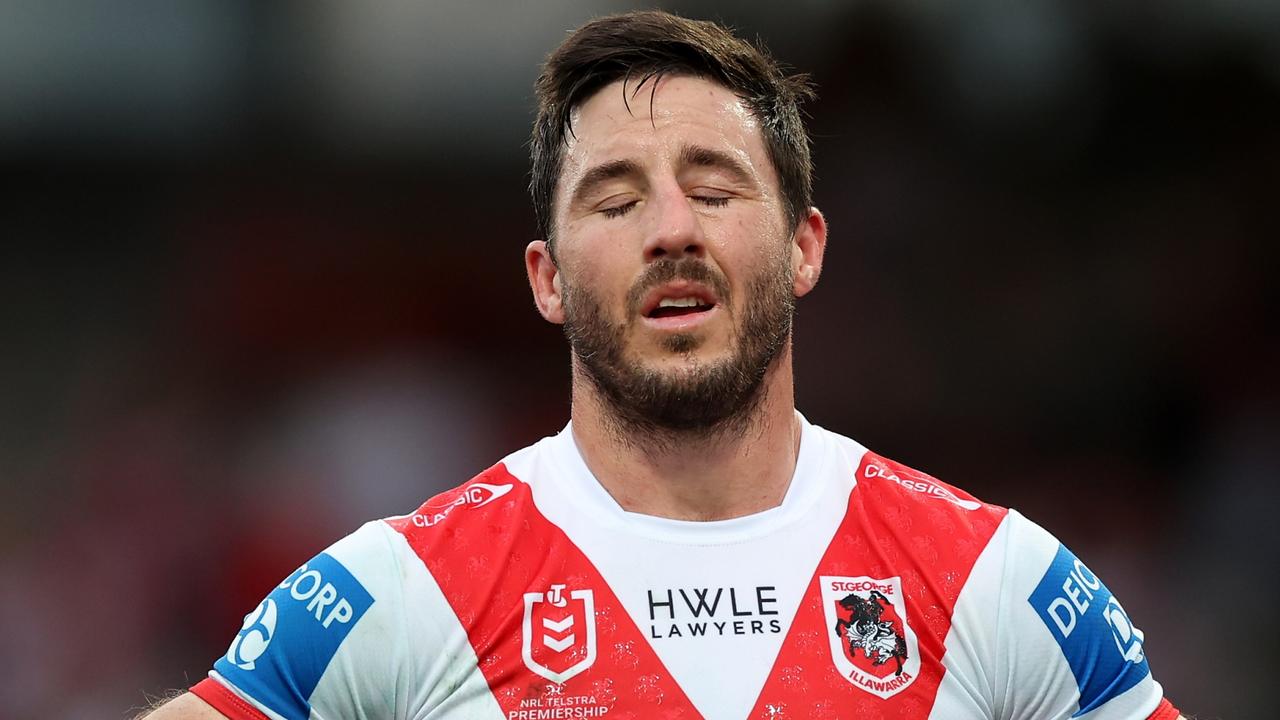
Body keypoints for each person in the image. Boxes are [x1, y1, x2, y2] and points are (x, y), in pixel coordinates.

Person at [143, 10, 1183, 720]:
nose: (671, 229)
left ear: (803, 247)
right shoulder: (404, 591)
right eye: (616, 199)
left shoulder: (995, 583)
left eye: (717, 188)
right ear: (545, 278)